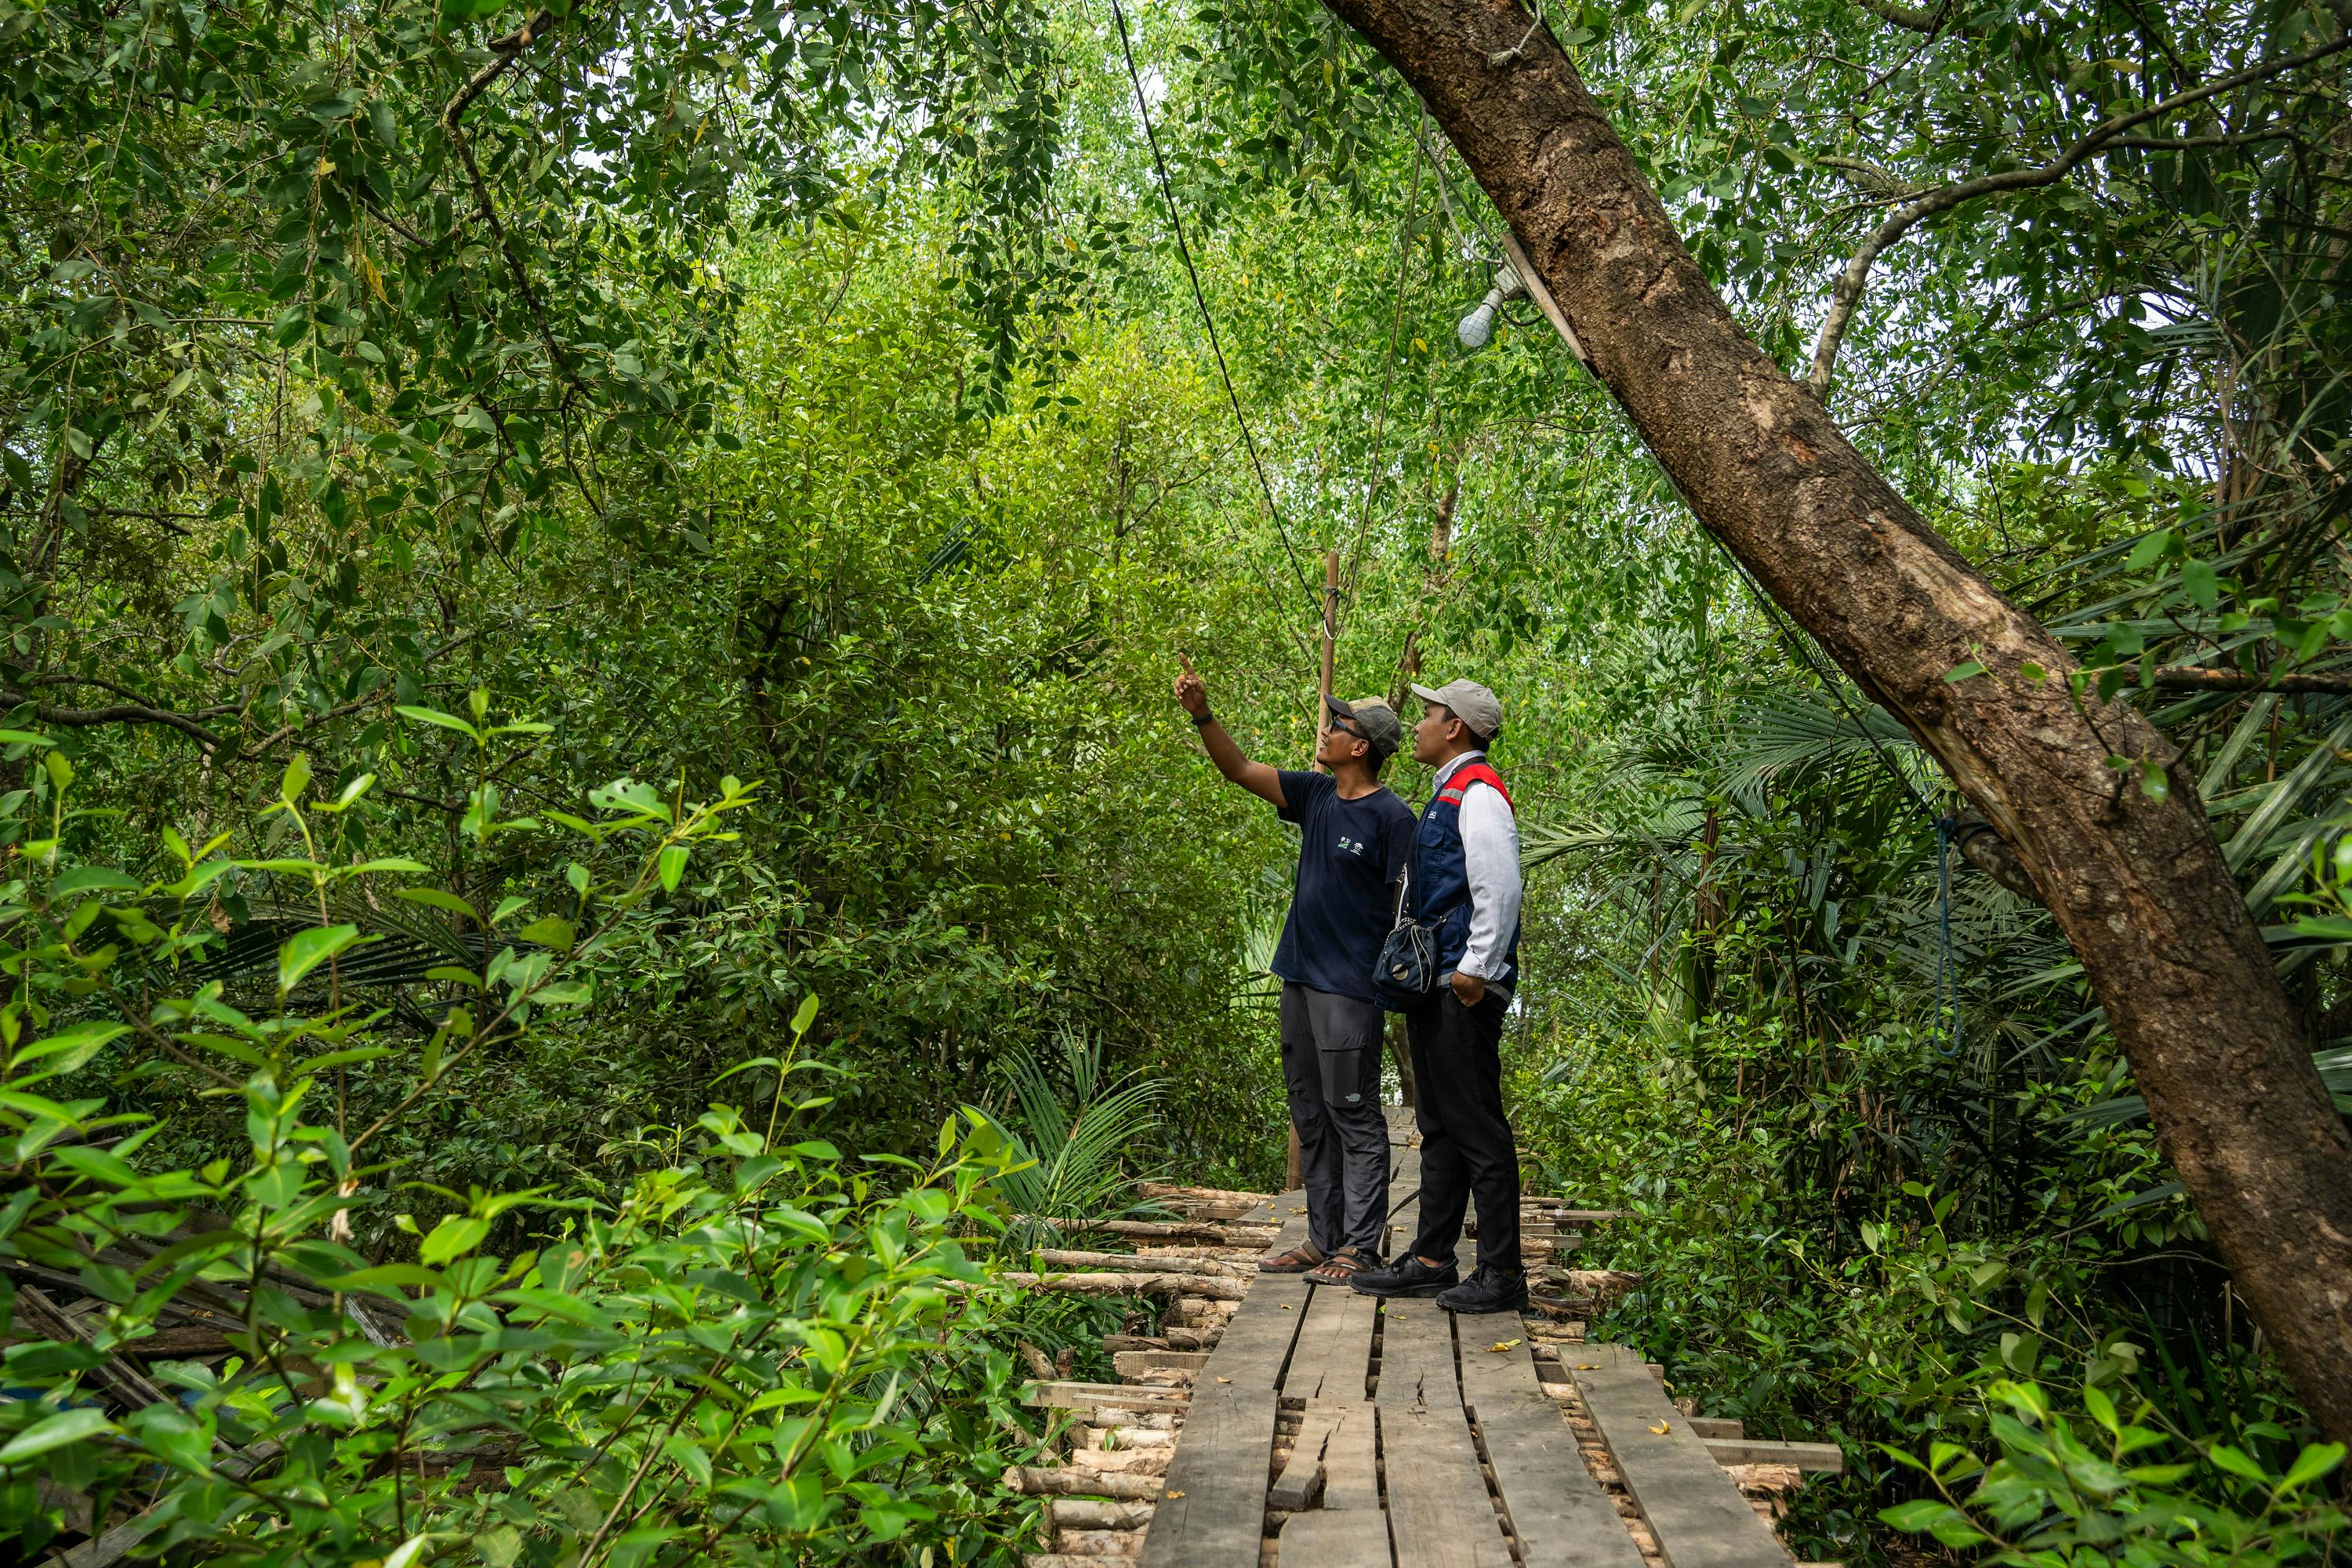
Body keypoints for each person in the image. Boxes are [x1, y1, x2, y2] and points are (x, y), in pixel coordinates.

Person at [1174, 660, 1414, 1287]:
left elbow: (1408, 908)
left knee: (1353, 1114)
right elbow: (1238, 769)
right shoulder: (1315, 795)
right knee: (1311, 1113)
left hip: (1350, 990)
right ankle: (1323, 1239)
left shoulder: (1393, 819)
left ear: (1360, 747)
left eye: (1339, 725)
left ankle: (1359, 1248)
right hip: (1300, 980)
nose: (1326, 730)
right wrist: (1202, 714)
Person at [1351, 677, 1527, 1314]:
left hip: (1462, 986)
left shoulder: (1478, 794)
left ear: (1455, 727)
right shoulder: (1447, 791)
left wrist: (1475, 970)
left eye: (1429, 713)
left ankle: (1503, 1271)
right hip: (1440, 983)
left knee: (1477, 1127)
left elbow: (1499, 887)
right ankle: (1431, 1259)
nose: (1419, 724)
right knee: (1440, 1126)